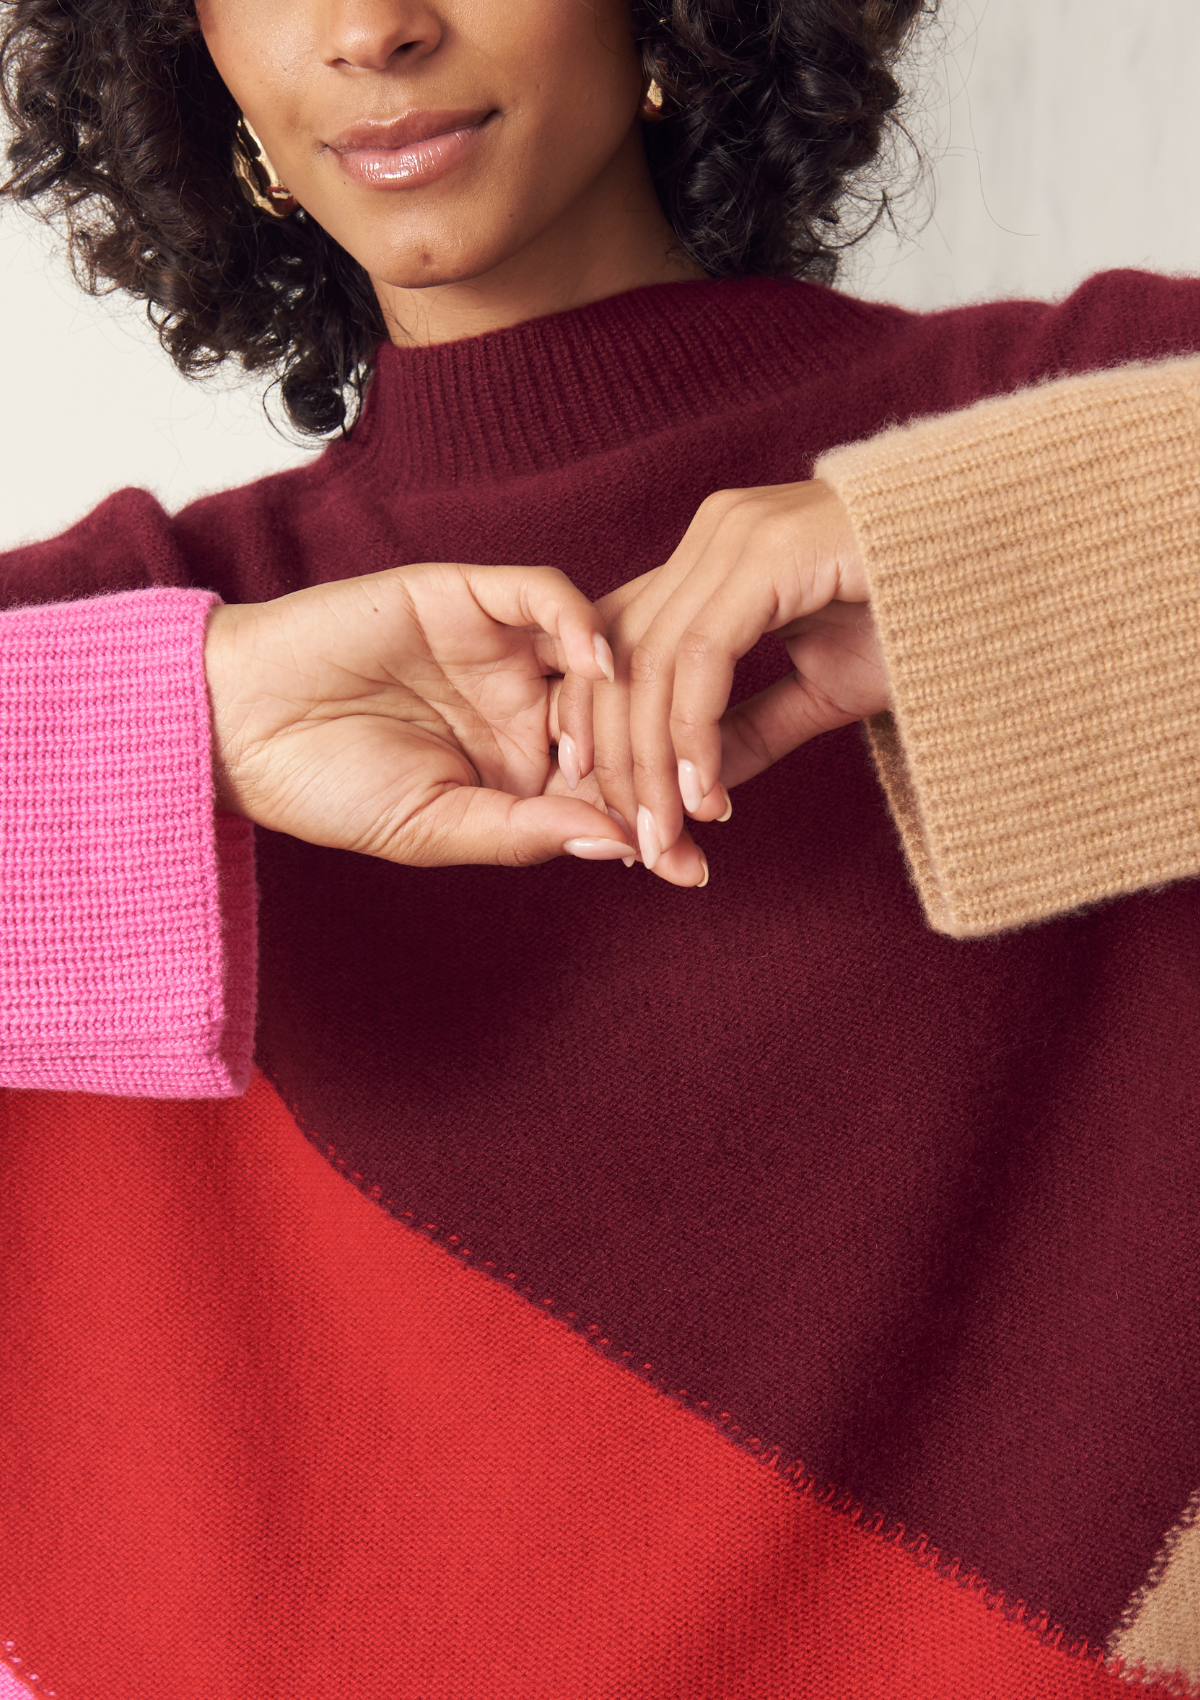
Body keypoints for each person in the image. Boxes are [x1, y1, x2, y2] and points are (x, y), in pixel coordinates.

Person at [1, 0, 1199, 1694]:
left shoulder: (1063, 420)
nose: (368, 28)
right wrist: (180, 724)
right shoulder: (144, 630)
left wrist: (980, 543)